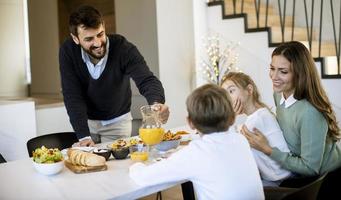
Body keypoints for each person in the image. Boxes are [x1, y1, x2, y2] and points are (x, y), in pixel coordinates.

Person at [130, 84, 264, 200]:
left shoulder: (196, 153)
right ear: (232, 117)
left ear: (190, 123)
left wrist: (136, 165)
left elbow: (143, 177)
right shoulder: (240, 140)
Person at [59, 5, 169, 147]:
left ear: (104, 26)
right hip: (87, 123)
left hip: (118, 123)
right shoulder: (68, 51)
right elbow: (72, 94)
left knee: (117, 166)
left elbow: (147, 80)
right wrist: (83, 135)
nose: (98, 43)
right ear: (75, 38)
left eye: (100, 34)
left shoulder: (123, 49)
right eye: (89, 39)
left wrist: (156, 103)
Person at [241, 41, 341, 177]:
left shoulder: (310, 113)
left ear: (300, 74)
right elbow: (282, 122)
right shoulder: (278, 94)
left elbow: (310, 169)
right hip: (295, 168)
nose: (274, 76)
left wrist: (268, 150)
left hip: (322, 179)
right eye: (272, 68)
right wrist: (246, 107)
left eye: (283, 71)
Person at [221, 72, 291, 184]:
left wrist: (230, 117)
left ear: (249, 90)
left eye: (231, 91)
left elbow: (231, 150)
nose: (227, 98)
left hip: (279, 181)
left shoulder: (256, 120)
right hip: (281, 176)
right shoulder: (261, 113)